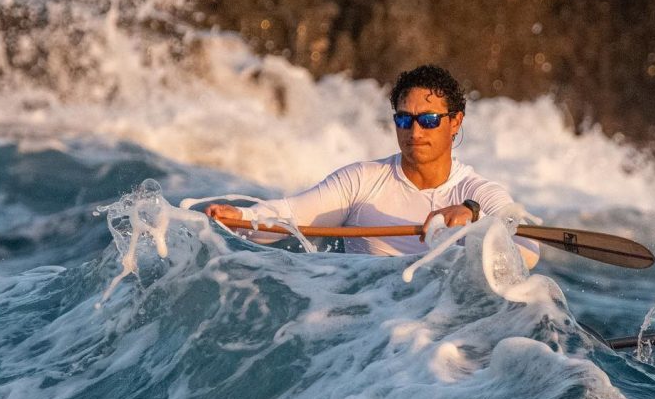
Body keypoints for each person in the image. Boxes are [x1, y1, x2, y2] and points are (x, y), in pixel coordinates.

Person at [206, 64, 539, 267]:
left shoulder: (476, 191)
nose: (415, 131)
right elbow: (291, 215)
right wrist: (241, 218)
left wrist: (474, 216)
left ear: (455, 122)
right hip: (371, 339)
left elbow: (527, 249)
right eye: (404, 120)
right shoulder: (362, 181)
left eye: (428, 119)